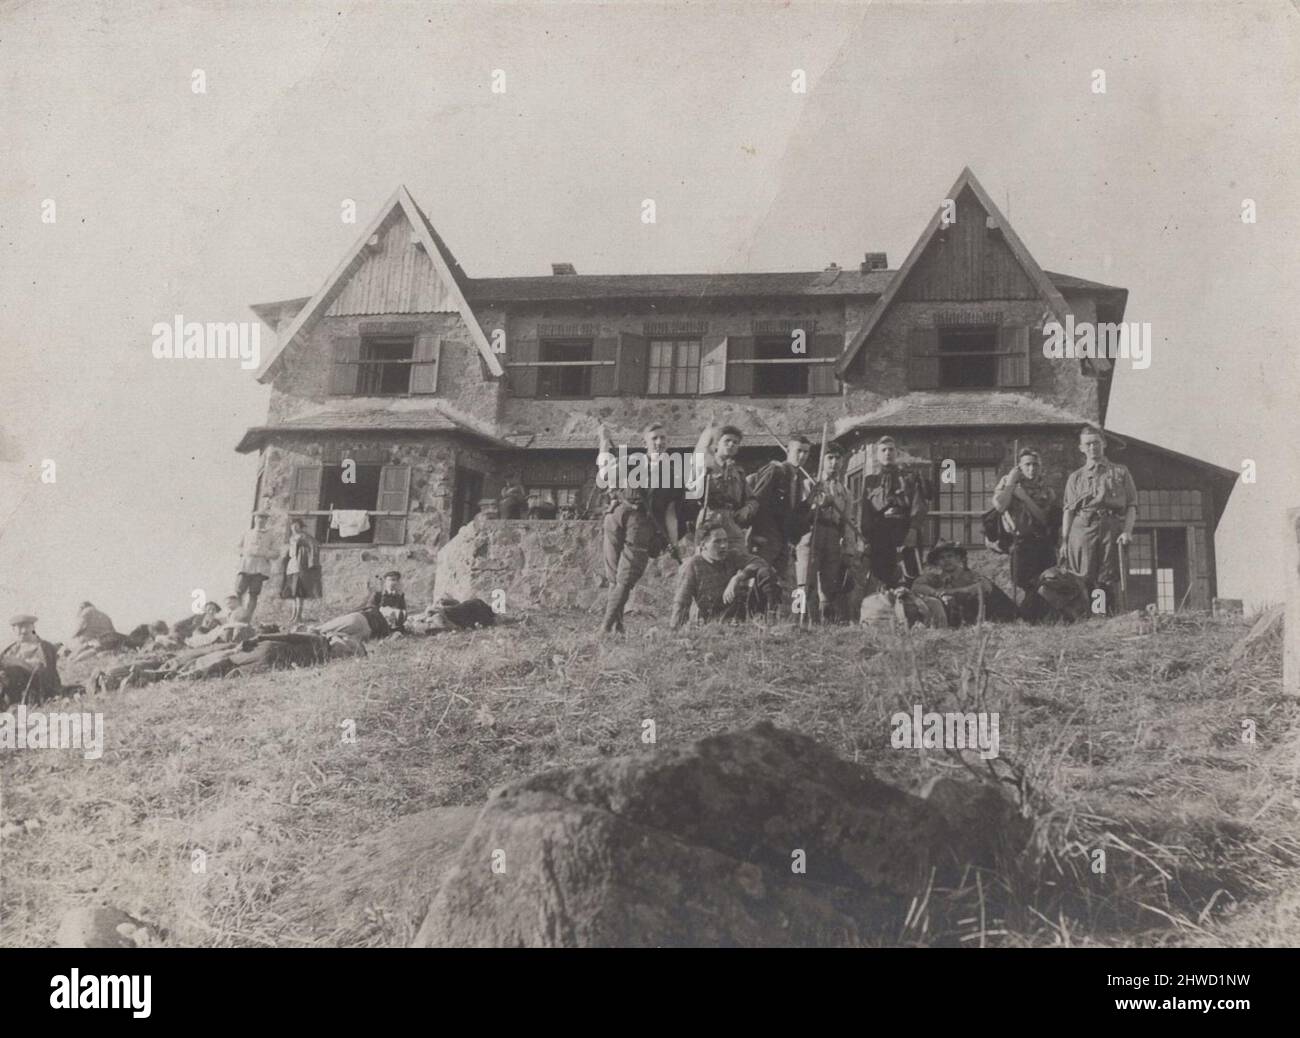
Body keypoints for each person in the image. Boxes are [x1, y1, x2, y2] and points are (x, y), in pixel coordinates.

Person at [597, 421, 675, 634]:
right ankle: (616, 627)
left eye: (663, 438)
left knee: (626, 578)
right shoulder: (632, 461)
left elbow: (670, 511)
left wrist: (672, 541)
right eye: (654, 438)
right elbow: (605, 475)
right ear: (646, 442)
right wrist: (603, 443)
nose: (659, 442)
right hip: (616, 516)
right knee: (614, 576)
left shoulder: (673, 473)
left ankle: (604, 629)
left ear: (668, 443)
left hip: (642, 524)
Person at [1061, 425, 1138, 613]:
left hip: (1110, 526)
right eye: (1087, 444)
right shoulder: (1075, 478)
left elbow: (1131, 505)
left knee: (1107, 575)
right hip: (1083, 528)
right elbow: (1069, 511)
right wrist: (1064, 540)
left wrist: (1127, 531)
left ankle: (1101, 616)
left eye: (1096, 443)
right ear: (1081, 448)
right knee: (1084, 575)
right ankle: (1086, 619)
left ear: (1103, 444)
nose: (1092, 447)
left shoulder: (1120, 472)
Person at [990, 448, 1060, 621]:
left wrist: (1024, 498)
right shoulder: (1008, 483)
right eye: (1027, 464)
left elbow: (1044, 518)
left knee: (1046, 581)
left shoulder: (1046, 490)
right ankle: (1027, 616)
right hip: (1020, 541)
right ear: (1019, 467)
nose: (1032, 468)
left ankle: (1032, 617)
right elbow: (999, 506)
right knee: (1021, 580)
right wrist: (1011, 484)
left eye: (1035, 464)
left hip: (1042, 542)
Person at [669, 521, 778, 628]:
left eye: (725, 541)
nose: (723, 546)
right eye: (717, 541)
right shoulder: (693, 565)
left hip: (736, 618)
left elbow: (761, 563)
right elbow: (681, 602)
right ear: (703, 545)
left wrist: (738, 577)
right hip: (710, 623)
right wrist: (677, 632)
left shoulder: (732, 556)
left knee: (765, 572)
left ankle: (767, 621)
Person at [794, 443, 859, 623]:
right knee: (804, 581)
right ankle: (798, 620)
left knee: (829, 585)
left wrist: (849, 549)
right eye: (830, 458)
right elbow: (800, 513)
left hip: (832, 535)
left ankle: (825, 624)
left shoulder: (845, 492)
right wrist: (817, 504)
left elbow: (848, 522)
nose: (834, 462)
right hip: (810, 533)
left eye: (838, 458)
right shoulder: (809, 483)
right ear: (822, 461)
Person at [859, 436, 928, 586]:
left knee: (911, 575)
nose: (887, 453)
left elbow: (918, 505)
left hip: (904, 529)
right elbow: (866, 513)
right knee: (883, 576)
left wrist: (913, 530)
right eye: (883, 450)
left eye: (891, 449)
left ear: (896, 453)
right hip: (880, 532)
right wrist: (867, 539)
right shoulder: (870, 481)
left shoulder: (909, 477)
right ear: (878, 455)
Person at [746, 434, 812, 579]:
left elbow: (793, 514)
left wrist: (810, 500)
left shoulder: (798, 479)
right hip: (766, 537)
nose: (802, 456)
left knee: (776, 584)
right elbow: (757, 500)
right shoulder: (776, 470)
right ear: (788, 451)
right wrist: (757, 534)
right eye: (798, 451)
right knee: (757, 578)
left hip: (782, 540)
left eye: (806, 452)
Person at [693, 418, 758, 565]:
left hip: (731, 521)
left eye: (735, 442)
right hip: (710, 518)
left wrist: (746, 510)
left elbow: (752, 499)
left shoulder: (738, 472)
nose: (731, 444)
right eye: (727, 441)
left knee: (740, 562)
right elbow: (691, 491)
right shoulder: (705, 466)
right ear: (717, 444)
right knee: (706, 564)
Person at [912, 541, 1016, 626]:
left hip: (997, 618)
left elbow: (984, 587)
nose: (946, 560)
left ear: (958, 558)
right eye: (942, 558)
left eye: (950, 556)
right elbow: (916, 586)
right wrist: (937, 593)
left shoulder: (969, 575)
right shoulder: (936, 578)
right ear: (937, 562)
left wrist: (951, 592)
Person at [0, 614, 61, 706]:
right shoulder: (9, 650)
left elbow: (46, 674)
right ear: (13, 630)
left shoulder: (45, 647)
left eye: (27, 626)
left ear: (33, 627)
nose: (24, 631)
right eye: (19, 627)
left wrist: (20, 665)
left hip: (36, 690)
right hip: (11, 691)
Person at [280, 518, 322, 624]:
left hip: (300, 566)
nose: (294, 527)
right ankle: (293, 615)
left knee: (299, 593)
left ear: (300, 526)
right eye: (293, 525)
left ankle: (299, 615)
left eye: (297, 525)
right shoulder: (291, 538)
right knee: (293, 593)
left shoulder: (305, 537)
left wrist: (311, 561)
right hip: (292, 565)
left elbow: (314, 545)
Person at [236, 513, 277, 621]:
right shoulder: (247, 533)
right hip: (246, 566)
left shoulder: (270, 535)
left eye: (264, 519)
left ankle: (247, 617)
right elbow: (238, 547)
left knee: (253, 593)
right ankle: (237, 615)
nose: (261, 521)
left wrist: (265, 553)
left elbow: (276, 553)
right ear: (255, 519)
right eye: (259, 518)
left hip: (259, 568)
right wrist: (246, 551)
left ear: (266, 521)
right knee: (239, 591)